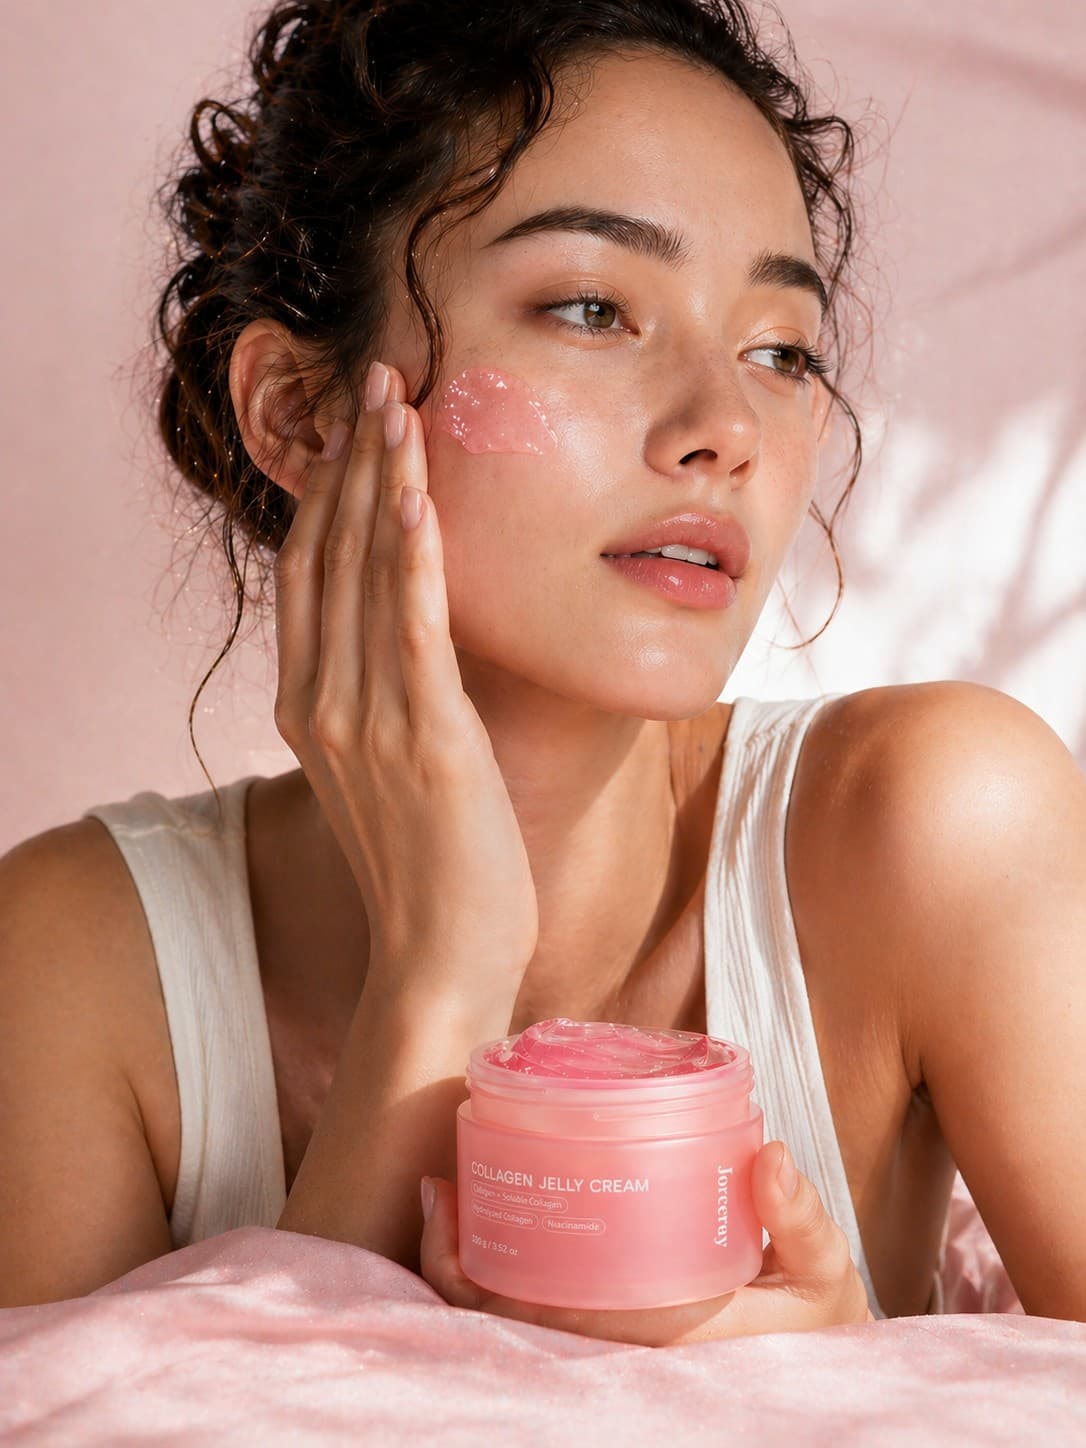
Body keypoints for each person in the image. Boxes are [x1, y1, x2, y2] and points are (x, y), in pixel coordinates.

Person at [2, 0, 1083, 1340]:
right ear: (301, 410)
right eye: (590, 307)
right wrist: (441, 968)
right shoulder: (76, 964)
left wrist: (832, 1389)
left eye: (778, 349)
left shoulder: (935, 829)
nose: (722, 432)